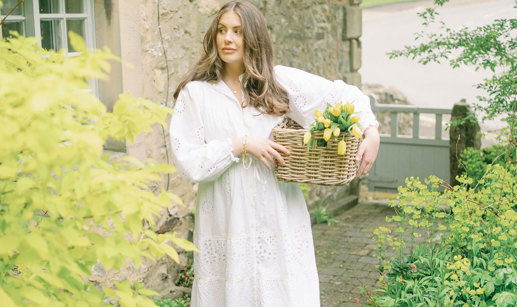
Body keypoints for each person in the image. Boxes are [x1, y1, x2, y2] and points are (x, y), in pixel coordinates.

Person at [170, 1, 380, 306]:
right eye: (222, 30)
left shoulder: (278, 82)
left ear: (253, 37)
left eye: (238, 32)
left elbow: (341, 96)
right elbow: (187, 160)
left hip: (278, 214)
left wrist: (371, 130)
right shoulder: (197, 93)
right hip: (226, 218)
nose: (227, 39)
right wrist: (241, 144)